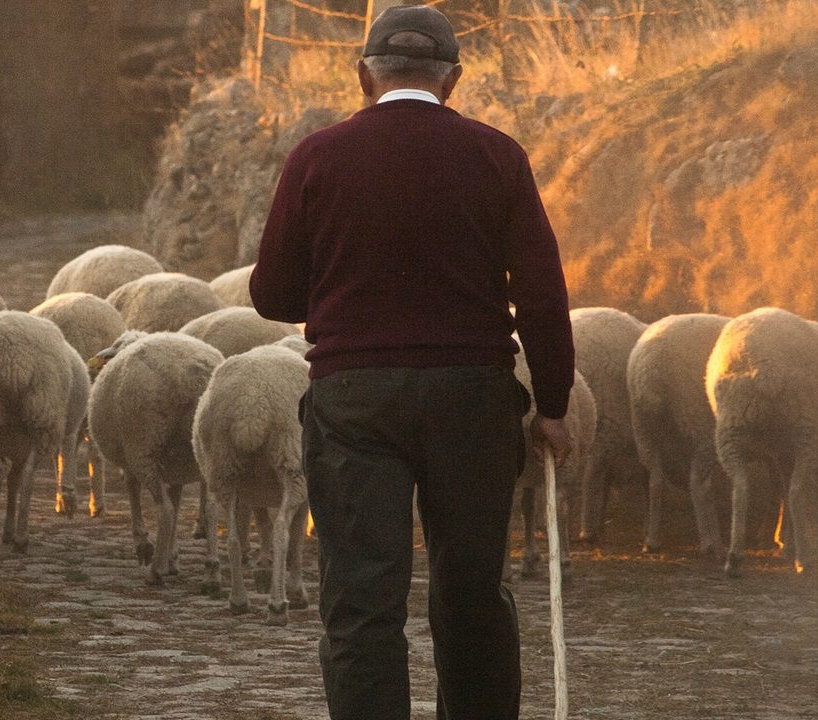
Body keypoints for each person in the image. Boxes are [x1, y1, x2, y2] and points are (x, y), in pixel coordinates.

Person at [249, 6, 575, 720]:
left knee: (362, 597)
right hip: (472, 398)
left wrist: (344, 290)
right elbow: (544, 296)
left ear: (364, 74)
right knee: (470, 592)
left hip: (354, 399)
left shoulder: (317, 156)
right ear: (452, 80)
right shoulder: (497, 155)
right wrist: (551, 404)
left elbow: (272, 293)